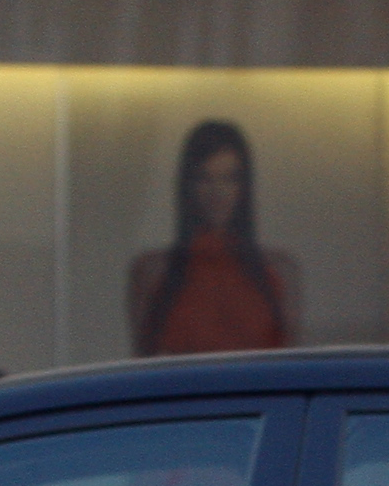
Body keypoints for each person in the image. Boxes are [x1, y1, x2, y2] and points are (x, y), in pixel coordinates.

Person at [125, 119, 298, 357]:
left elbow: (288, 366)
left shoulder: (277, 271)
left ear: (244, 186)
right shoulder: (154, 272)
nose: (218, 192)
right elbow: (145, 368)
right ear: (188, 185)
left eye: (230, 178)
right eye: (205, 178)